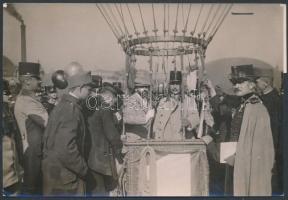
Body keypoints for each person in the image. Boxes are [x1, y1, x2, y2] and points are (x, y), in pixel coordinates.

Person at [42, 69, 94, 196]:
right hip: (66, 178)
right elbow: (66, 148)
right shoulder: (71, 110)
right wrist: (83, 169)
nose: (90, 93)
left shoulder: (63, 105)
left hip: (57, 175)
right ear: (80, 88)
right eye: (88, 89)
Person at [226, 65, 274, 196]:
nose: (236, 86)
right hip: (235, 161)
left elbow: (261, 149)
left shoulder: (257, 109)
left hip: (247, 163)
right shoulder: (242, 105)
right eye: (235, 83)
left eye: (241, 82)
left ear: (252, 85)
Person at [14, 62, 49, 195]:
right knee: (32, 190)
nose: (39, 81)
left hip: (34, 152)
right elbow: (47, 123)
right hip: (33, 154)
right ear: (28, 81)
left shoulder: (28, 98)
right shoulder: (27, 101)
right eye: (36, 78)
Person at [86, 82, 124, 196]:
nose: (113, 104)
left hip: (90, 157)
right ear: (108, 97)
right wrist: (120, 151)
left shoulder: (90, 105)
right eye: (113, 101)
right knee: (102, 192)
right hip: (101, 159)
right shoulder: (105, 109)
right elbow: (112, 135)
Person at [256, 76, 282, 194]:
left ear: (266, 83)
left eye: (258, 82)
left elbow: (275, 123)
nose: (256, 85)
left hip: (272, 137)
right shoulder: (264, 97)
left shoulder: (275, 100)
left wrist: (273, 142)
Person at [3, 79, 23, 196]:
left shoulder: (7, 110)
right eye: (6, 93)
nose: (8, 97)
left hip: (12, 176)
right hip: (7, 178)